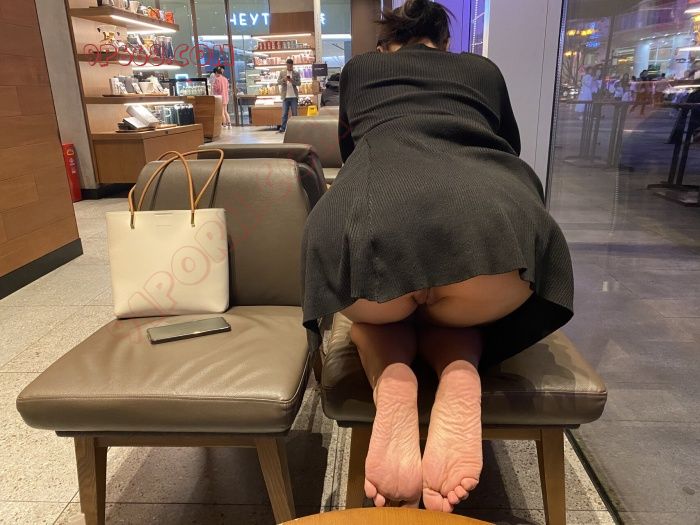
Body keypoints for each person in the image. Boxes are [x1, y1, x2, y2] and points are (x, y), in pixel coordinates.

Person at [301, 0, 573, 512]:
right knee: (455, 307)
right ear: (445, 44)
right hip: (490, 245)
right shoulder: (482, 70)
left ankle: (392, 380)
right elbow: (508, 147)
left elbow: (351, 149)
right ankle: (461, 371)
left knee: (375, 319)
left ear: (387, 44)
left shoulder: (362, 69)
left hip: (376, 231)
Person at [277, 58, 301, 133]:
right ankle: (283, 128)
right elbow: (278, 82)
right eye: (288, 66)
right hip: (285, 97)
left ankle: (295, 128)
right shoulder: (282, 73)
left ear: (292, 65)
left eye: (291, 66)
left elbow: (299, 83)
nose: (289, 67)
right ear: (286, 65)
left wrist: (292, 81)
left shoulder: (296, 73)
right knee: (284, 114)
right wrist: (284, 80)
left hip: (294, 96)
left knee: (294, 114)